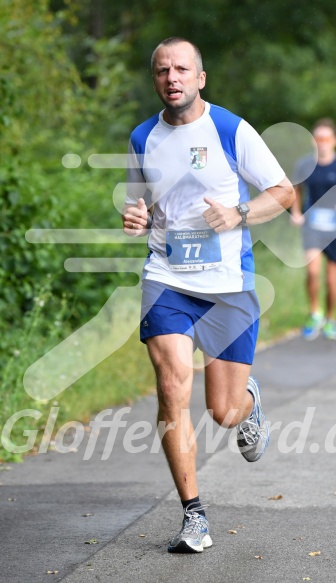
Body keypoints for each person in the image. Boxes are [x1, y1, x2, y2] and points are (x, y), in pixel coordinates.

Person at [122, 37, 295, 553]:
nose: (171, 77)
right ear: (154, 79)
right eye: (161, 70)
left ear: (200, 77)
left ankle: (250, 403)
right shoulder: (141, 137)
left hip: (227, 285)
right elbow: (143, 208)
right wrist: (132, 217)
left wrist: (240, 214)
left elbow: (284, 193)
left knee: (222, 410)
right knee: (172, 384)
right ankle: (193, 516)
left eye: (181, 69)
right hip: (168, 277)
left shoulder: (229, 129)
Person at [291, 118, 336, 340]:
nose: (321, 142)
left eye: (326, 138)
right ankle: (315, 313)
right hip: (313, 226)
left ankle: (331, 319)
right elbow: (296, 190)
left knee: (332, 281)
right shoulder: (304, 165)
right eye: (317, 138)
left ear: (334, 141)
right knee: (312, 271)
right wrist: (295, 213)